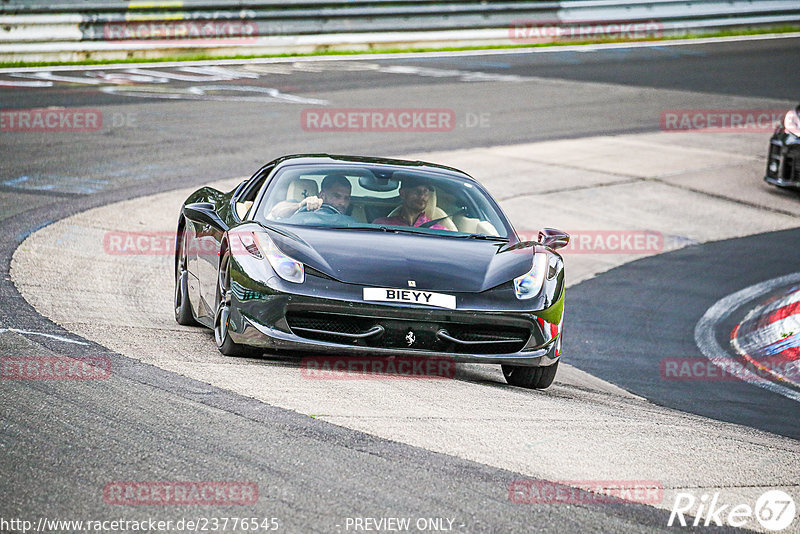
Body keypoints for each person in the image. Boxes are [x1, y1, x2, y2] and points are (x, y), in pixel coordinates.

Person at [372, 176, 448, 230]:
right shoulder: (382, 225)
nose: (422, 196)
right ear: (403, 193)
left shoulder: (439, 231)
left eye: (425, 192)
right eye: (416, 191)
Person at [269, 173, 352, 220]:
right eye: (337, 196)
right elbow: (276, 210)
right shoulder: (303, 207)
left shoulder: (353, 221)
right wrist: (300, 205)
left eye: (346, 198)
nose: (343, 203)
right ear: (322, 195)